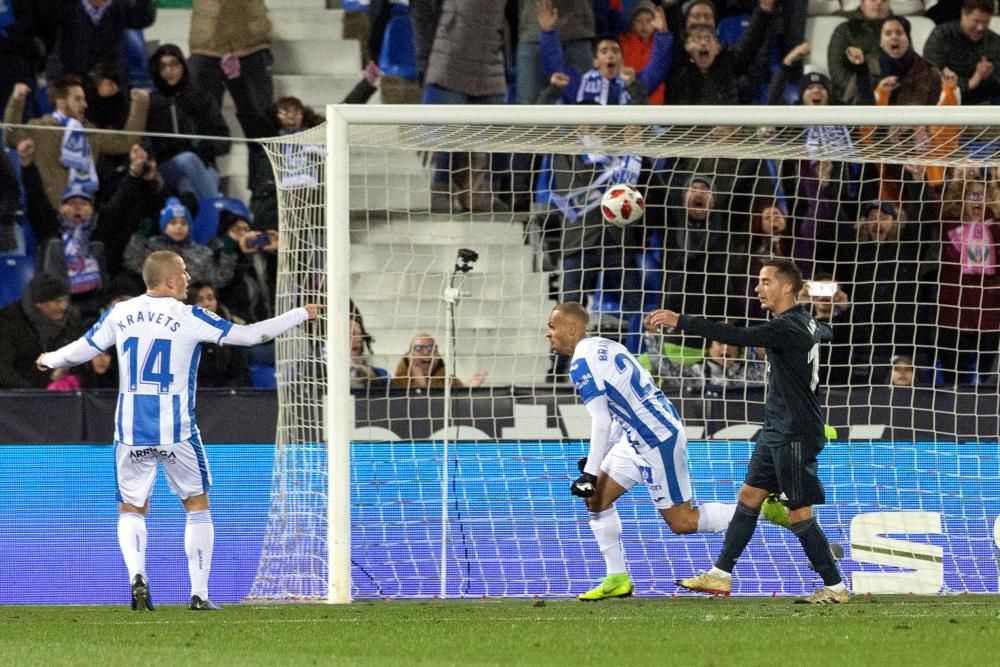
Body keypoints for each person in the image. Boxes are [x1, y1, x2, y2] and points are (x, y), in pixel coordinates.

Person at [35, 250, 322, 611]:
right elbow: (250, 336)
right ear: (170, 280)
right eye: (184, 273)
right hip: (177, 430)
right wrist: (299, 314)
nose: (189, 278)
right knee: (197, 505)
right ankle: (199, 594)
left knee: (132, 508)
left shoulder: (121, 312)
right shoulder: (189, 316)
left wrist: (49, 359)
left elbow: (83, 349)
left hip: (130, 429)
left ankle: (137, 576)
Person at [546, 301, 789, 601]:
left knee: (682, 521)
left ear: (571, 328)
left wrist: (590, 472)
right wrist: (600, 461)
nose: (549, 334)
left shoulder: (581, 364)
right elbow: (621, 408)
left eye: (552, 326)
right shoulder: (606, 346)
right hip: (637, 435)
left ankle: (762, 510)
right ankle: (617, 578)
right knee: (596, 499)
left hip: (656, 437)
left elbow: (601, 420)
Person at [649, 258, 849, 604]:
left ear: (788, 287)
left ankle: (835, 586)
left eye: (765, 281)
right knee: (749, 497)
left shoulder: (787, 328)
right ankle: (721, 575)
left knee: (799, 513)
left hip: (794, 432)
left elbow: (735, 335)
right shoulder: (808, 323)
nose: (758, 288)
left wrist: (680, 321)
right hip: (776, 429)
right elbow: (826, 332)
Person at [0, 273, 84, 389]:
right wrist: (34, 393)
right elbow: (3, 369)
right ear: (39, 303)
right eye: (58, 301)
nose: (64, 306)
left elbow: (81, 358)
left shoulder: (71, 319)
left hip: (62, 395)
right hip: (20, 396)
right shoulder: (8, 321)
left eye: (66, 300)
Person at [923, 0, 1000, 106]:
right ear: (963, 15)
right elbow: (929, 75)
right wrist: (971, 82)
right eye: (976, 21)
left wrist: (989, 76)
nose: (980, 28)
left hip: (983, 104)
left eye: (985, 22)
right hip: (944, 102)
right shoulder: (941, 36)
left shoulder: (994, 41)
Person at [390, 334, 486, 389]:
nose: (426, 352)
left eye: (431, 348)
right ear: (408, 356)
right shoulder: (394, 385)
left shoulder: (451, 382)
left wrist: (468, 389)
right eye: (419, 348)